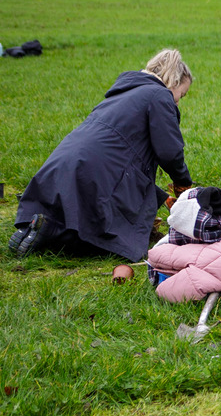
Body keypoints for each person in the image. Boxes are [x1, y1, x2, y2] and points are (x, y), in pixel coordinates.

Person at [10, 48, 194, 261]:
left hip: (67, 158)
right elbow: (169, 150)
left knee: (75, 213)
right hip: (100, 166)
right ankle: (49, 231)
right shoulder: (159, 95)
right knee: (108, 234)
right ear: (173, 81)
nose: (179, 101)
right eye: (182, 94)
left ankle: (38, 225)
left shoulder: (124, 91)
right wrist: (183, 182)